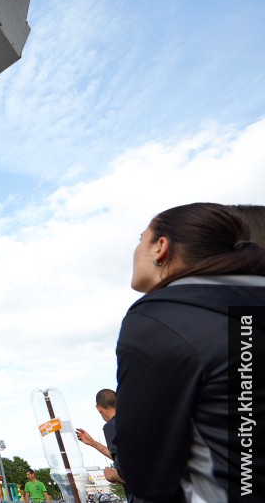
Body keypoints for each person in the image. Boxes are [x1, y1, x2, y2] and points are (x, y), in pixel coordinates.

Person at [115, 203, 265, 501]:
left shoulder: (159, 318)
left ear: (161, 247)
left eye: (140, 238)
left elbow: (145, 473)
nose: (134, 251)